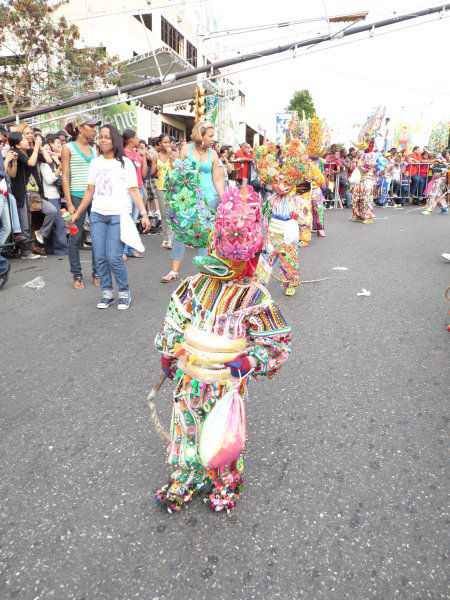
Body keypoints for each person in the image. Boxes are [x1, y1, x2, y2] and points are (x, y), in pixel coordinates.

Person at [154, 184, 291, 513]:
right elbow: (176, 319)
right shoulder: (194, 285)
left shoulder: (255, 296)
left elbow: (275, 338)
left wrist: (251, 361)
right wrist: (170, 350)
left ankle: (224, 479)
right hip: (190, 374)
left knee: (223, 430)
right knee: (186, 422)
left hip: (227, 380)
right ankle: (186, 474)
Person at [71, 125, 150, 310]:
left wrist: (144, 214)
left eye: (107, 137)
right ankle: (107, 293)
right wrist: (77, 213)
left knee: (114, 257)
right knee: (100, 257)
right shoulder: (95, 163)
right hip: (98, 215)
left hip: (118, 215)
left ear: (115, 140)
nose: (103, 140)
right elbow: (90, 191)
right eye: (101, 137)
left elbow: (133, 190)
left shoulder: (124, 162)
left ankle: (124, 292)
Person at [161, 120, 225, 282]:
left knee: (203, 235)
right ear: (200, 135)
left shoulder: (213, 154)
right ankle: (174, 271)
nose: (213, 139)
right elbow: (178, 173)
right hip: (188, 199)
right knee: (181, 233)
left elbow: (217, 179)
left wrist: (225, 200)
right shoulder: (186, 149)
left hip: (208, 199)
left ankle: (204, 272)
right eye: (210, 136)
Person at [62, 113, 100, 289]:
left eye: (94, 126)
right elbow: (65, 177)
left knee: (98, 237)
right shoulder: (67, 147)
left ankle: (96, 273)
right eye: (90, 126)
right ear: (80, 128)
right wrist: (69, 203)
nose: (94, 129)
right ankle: (77, 275)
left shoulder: (95, 150)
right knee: (75, 237)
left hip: (96, 197)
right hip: (76, 197)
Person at [39, 134, 68, 255]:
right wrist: (59, 169)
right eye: (45, 150)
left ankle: (51, 248)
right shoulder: (43, 164)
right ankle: (61, 249)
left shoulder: (53, 163)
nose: (48, 152)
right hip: (50, 196)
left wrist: (57, 164)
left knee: (61, 222)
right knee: (60, 224)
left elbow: (62, 179)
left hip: (58, 196)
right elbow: (50, 180)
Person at [122, 129, 147, 260]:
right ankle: (124, 251)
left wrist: (143, 158)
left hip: (139, 188)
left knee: (134, 220)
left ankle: (131, 249)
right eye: (137, 137)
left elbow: (143, 174)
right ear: (131, 139)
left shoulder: (137, 155)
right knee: (127, 220)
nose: (139, 139)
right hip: (128, 190)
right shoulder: (122, 154)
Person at [155, 133, 173, 249]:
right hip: (160, 187)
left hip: (173, 187)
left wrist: (171, 157)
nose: (167, 144)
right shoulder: (155, 156)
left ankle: (171, 240)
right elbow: (154, 173)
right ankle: (165, 238)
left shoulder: (174, 154)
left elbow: (177, 169)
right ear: (160, 143)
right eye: (165, 142)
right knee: (163, 214)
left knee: (171, 214)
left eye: (168, 142)